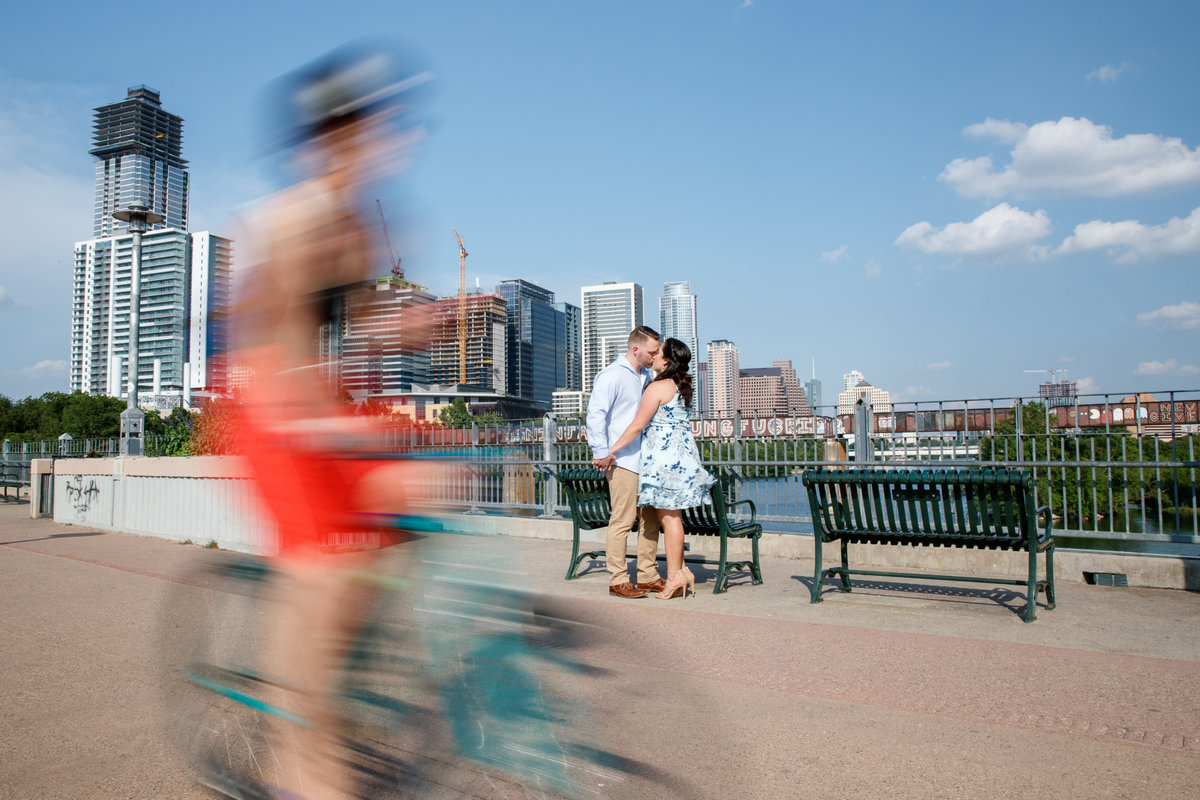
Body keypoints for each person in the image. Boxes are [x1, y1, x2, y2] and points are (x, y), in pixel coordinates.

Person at [231, 42, 433, 800]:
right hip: (273, 414)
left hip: (322, 413)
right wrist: (307, 417)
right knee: (321, 573)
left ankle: (331, 683)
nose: (394, 139)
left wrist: (431, 323)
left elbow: (374, 326)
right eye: (378, 125)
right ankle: (298, 758)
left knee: (405, 518)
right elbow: (257, 334)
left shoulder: (359, 225)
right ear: (335, 137)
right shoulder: (286, 220)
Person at [597, 338, 715, 599]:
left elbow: (638, 425)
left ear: (666, 361)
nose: (653, 358)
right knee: (671, 519)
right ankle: (679, 573)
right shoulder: (681, 386)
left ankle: (675, 577)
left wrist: (610, 451)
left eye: (658, 353)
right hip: (681, 458)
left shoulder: (658, 387)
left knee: (669, 520)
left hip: (663, 462)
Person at [586, 326, 664, 598]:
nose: (654, 356)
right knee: (622, 520)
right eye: (652, 351)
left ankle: (648, 575)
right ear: (635, 349)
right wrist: (601, 452)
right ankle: (618, 579)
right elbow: (596, 414)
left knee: (650, 520)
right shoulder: (612, 376)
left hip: (645, 460)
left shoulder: (644, 377)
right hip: (621, 460)